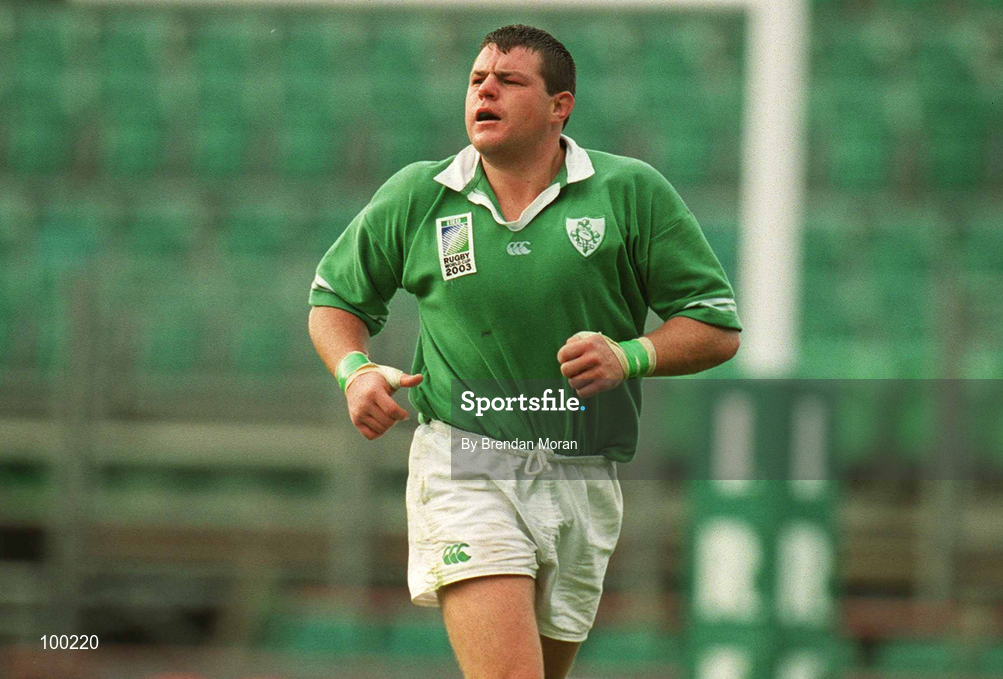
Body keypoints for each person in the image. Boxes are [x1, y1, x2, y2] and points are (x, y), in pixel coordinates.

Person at [308, 24, 741, 679]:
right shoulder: (420, 196)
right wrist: (354, 371)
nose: (485, 89)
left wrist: (630, 354)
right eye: (477, 79)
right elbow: (334, 303)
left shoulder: (631, 193)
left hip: (585, 468)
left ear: (560, 106)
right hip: (465, 459)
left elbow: (715, 324)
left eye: (509, 80)